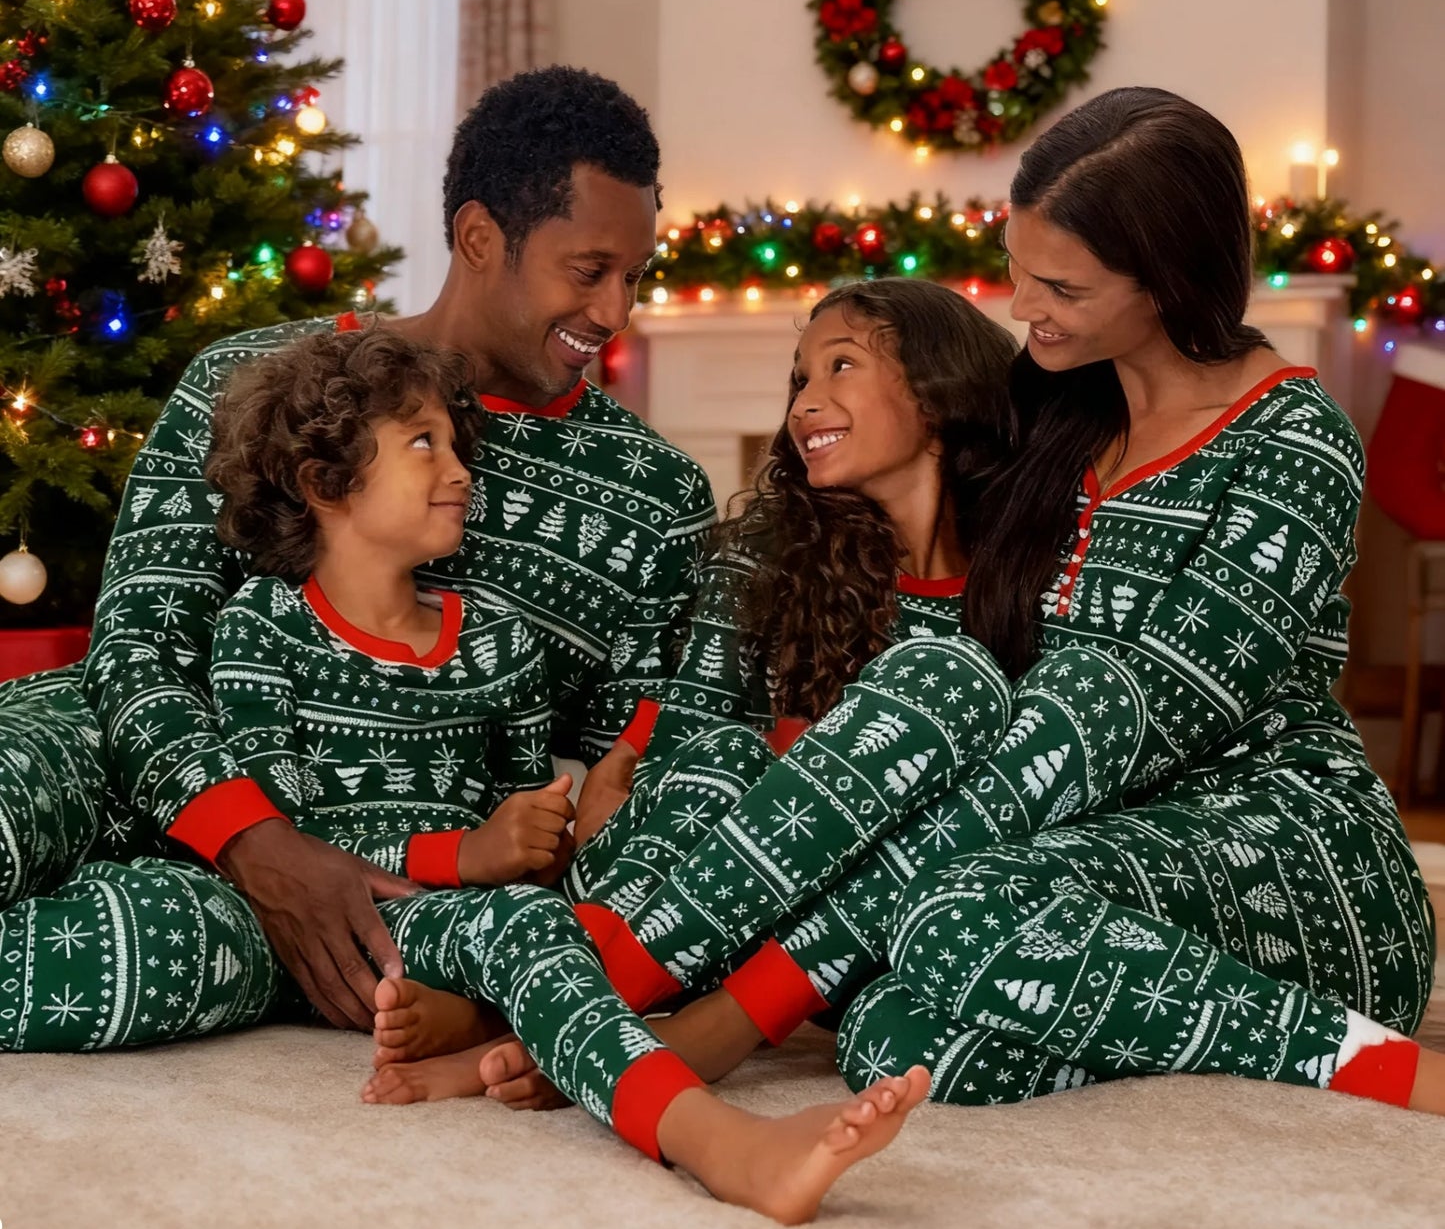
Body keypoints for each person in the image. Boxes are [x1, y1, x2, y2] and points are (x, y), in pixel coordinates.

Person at [407, 88, 1439, 1120]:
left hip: (1276, 848)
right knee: (887, 1033)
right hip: (1071, 856)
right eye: (1017, 267)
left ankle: (1380, 1063)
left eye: (1058, 285)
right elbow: (939, 649)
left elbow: (1098, 725)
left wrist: (735, 1012)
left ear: (1165, 279)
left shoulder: (1289, 441)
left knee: (962, 896)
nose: (1020, 305)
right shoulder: (1056, 420)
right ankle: (1192, 1034)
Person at [0, 65, 715, 1051]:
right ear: (477, 238)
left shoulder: (655, 496)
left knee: (122, 959)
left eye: (636, 274)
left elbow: (619, 769)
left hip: (395, 866)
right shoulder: (243, 379)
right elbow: (137, 648)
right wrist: (258, 842)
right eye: (587, 270)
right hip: (137, 766)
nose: (615, 310)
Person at [361, 275, 1022, 1103]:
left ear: (937, 390)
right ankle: (582, 1001)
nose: (804, 405)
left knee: (904, 1022)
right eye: (798, 381)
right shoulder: (759, 557)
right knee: (721, 755)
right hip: (718, 895)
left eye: (839, 368)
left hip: (880, 917)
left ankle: (540, 1010)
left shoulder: (1020, 586)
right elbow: (691, 741)